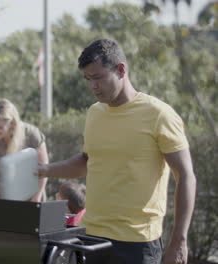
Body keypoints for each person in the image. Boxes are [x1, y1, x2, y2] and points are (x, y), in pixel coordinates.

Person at [38, 39, 196, 264]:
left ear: (121, 70)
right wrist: (43, 170)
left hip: (137, 244)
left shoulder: (159, 114)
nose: (93, 86)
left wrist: (180, 240)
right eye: (87, 79)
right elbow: (87, 161)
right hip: (91, 236)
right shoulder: (94, 113)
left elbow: (186, 176)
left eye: (98, 77)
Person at [0, 98, 48, 202]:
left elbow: (44, 170)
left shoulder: (32, 135)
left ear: (12, 124)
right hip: (1, 199)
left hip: (31, 198)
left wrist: (35, 200)